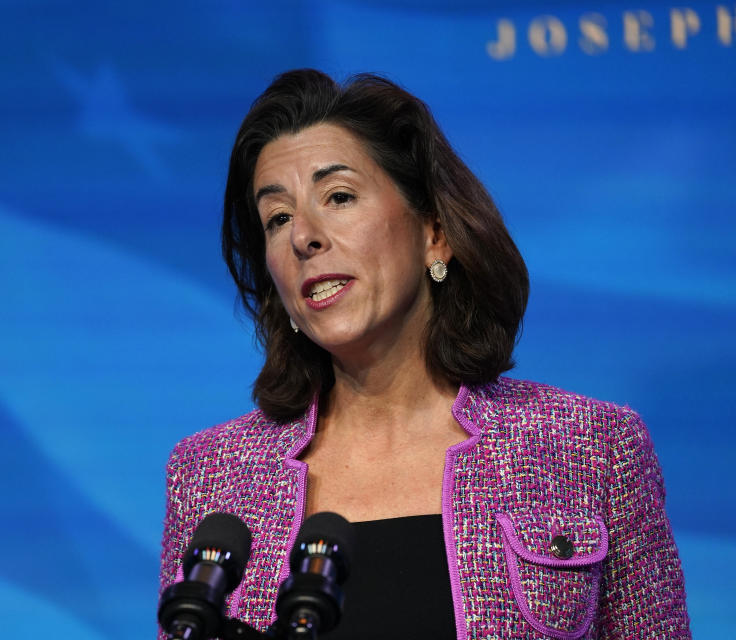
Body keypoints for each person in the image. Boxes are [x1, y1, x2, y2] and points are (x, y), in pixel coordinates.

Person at [158, 69, 690, 639]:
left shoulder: (589, 449)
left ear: (434, 232)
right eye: (278, 218)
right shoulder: (213, 476)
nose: (303, 237)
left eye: (338, 197)